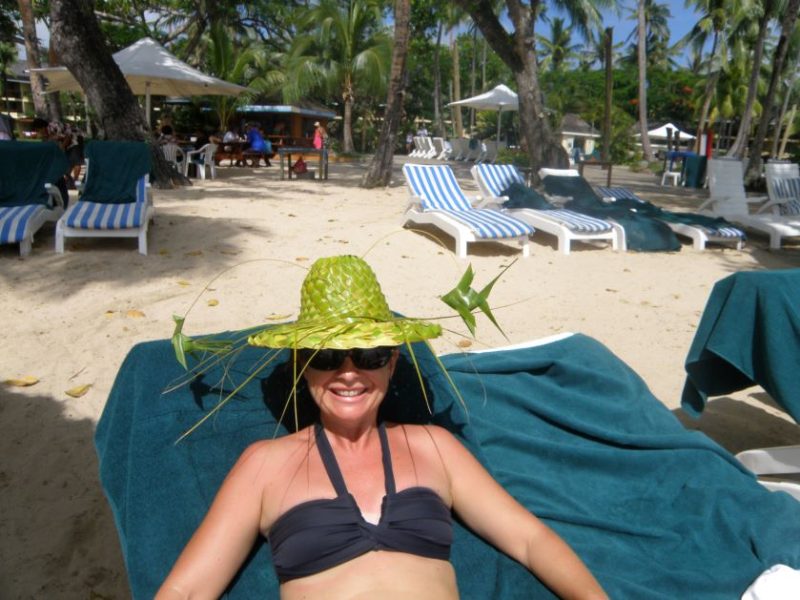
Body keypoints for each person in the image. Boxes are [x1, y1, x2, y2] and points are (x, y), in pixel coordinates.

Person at [156, 255, 608, 600]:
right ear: (303, 366)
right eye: (328, 357)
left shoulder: (434, 446)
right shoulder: (264, 465)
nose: (349, 374)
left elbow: (530, 540)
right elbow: (187, 590)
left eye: (369, 356)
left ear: (391, 363)